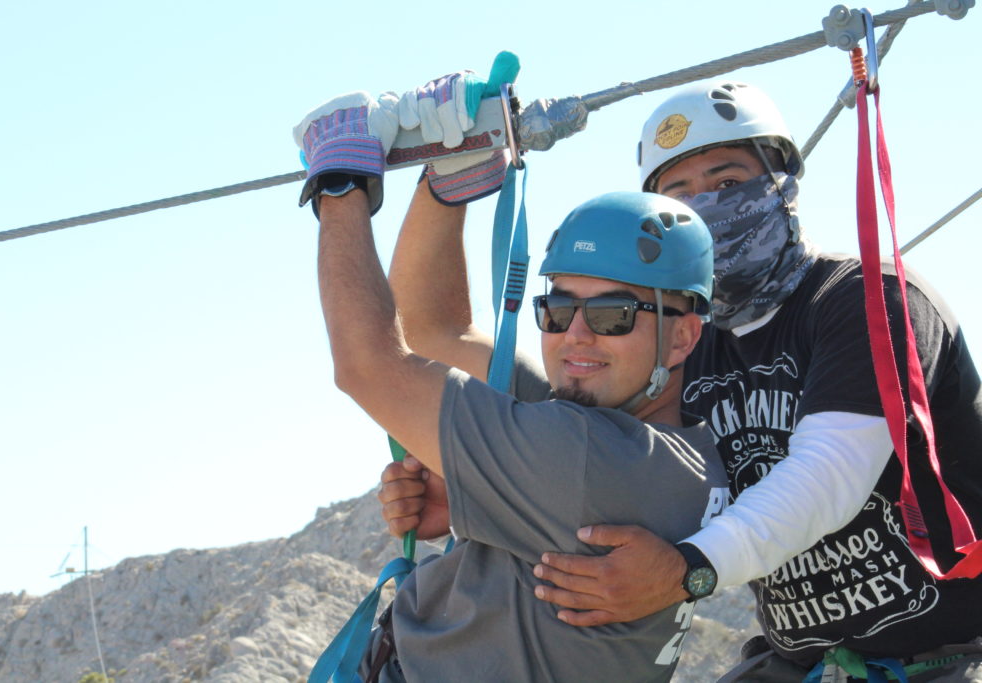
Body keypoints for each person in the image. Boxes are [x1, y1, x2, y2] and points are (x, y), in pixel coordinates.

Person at [511, 81, 982, 680]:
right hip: (798, 663)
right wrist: (459, 484)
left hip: (948, 657)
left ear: (782, 181)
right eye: (680, 196)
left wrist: (688, 571)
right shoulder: (683, 342)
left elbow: (827, 476)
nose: (707, 207)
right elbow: (595, 445)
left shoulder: (869, 300)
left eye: (728, 183)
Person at [298, 66, 730, 681]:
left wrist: (339, 183)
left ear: (683, 334)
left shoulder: (582, 456)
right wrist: (449, 180)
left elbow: (368, 367)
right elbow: (435, 330)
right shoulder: (668, 448)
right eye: (556, 311)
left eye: (612, 314)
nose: (575, 336)